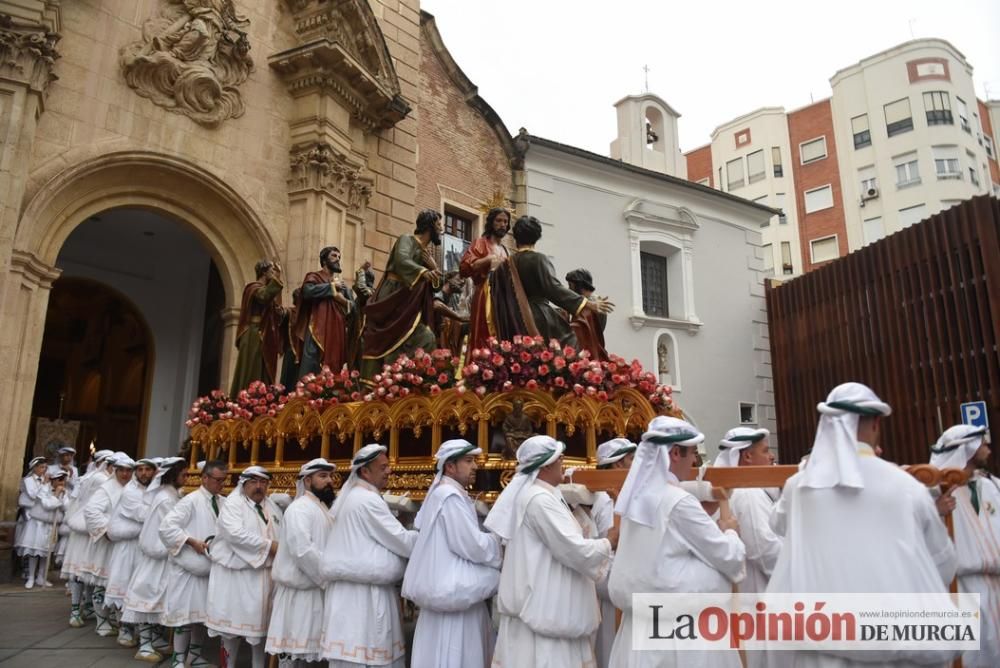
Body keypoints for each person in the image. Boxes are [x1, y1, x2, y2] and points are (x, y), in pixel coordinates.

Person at [767, 382, 958, 666]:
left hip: (816, 646)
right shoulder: (906, 487)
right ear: (876, 423)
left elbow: (777, 523)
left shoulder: (798, 486)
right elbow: (942, 562)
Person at [608, 417, 746, 668]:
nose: (694, 461)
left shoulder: (636, 498)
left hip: (639, 629)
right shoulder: (678, 501)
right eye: (692, 453)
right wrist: (730, 532)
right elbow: (728, 557)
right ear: (674, 453)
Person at [486, 435, 616, 667]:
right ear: (545, 465)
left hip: (543, 611)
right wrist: (610, 541)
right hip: (544, 617)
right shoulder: (539, 500)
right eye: (560, 459)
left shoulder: (543, 496)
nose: (564, 464)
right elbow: (575, 550)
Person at [402, 439, 502, 668]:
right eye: (468, 461)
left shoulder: (442, 493)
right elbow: (471, 545)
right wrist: (498, 542)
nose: (475, 466)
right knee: (456, 653)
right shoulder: (449, 496)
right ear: (449, 466)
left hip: (448, 597)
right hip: (454, 600)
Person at [320, 444, 417, 668]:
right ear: (365, 472)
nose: (388, 471)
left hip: (350, 595)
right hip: (363, 599)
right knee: (364, 656)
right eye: (382, 467)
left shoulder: (355, 496)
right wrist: (424, 535)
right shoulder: (367, 500)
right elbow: (402, 542)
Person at [930, 424, 1000, 667]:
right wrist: (935, 510)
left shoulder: (992, 486)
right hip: (960, 586)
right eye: (983, 444)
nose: (988, 449)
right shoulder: (934, 492)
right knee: (971, 655)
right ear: (967, 450)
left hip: (996, 584)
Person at [491, 215, 612, 346]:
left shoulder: (502, 266)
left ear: (515, 237)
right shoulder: (538, 259)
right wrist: (588, 304)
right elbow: (553, 288)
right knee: (575, 345)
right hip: (538, 317)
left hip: (511, 322)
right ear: (537, 237)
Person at [206, 466, 281, 668]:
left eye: (263, 482)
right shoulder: (233, 504)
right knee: (231, 628)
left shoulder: (271, 506)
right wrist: (269, 546)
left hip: (263, 578)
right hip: (235, 579)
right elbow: (235, 534)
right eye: (253, 482)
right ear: (243, 484)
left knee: (260, 630)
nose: (258, 487)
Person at [266, 458, 337, 668]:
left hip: (317, 591)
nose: (330, 481)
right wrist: (328, 576)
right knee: (294, 654)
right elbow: (302, 550)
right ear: (307, 481)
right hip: (299, 595)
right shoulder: (299, 509)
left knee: (310, 654)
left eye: (330, 476)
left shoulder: (323, 509)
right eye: (323, 476)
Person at [160, 460, 229, 668]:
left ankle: (194, 656)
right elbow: (166, 528)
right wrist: (191, 541)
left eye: (224, 480)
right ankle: (178, 659)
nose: (221, 484)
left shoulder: (224, 502)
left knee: (201, 616)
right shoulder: (190, 501)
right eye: (217, 480)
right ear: (205, 478)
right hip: (188, 570)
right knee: (185, 617)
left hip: (210, 568)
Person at [360, 210, 443, 379]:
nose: (442, 229)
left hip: (410, 303)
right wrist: (423, 271)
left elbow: (436, 285)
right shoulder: (407, 239)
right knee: (382, 338)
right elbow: (401, 260)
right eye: (439, 224)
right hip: (393, 296)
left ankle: (406, 379)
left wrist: (433, 269)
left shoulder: (428, 254)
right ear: (431, 225)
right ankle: (377, 381)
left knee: (427, 338)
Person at [123, 456, 187, 663]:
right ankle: (145, 644)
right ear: (173, 475)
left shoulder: (168, 494)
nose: (187, 478)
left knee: (158, 601)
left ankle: (154, 640)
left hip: (163, 555)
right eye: (184, 474)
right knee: (148, 600)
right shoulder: (166, 498)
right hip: (157, 555)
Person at [712, 427, 781, 595]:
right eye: (765, 451)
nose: (771, 456)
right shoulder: (747, 492)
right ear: (748, 456)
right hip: (758, 591)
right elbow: (763, 547)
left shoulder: (746, 489)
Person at [590, 438, 636, 668]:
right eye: (631, 459)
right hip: (612, 587)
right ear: (617, 465)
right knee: (611, 650)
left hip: (621, 582)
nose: (636, 464)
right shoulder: (605, 500)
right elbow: (610, 544)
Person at [104, 457, 157, 647]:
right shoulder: (130, 491)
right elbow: (144, 515)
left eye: (147, 470)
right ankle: (124, 628)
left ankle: (146, 631)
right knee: (124, 585)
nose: (144, 473)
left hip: (145, 547)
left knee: (141, 587)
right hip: (128, 547)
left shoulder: (156, 490)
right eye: (140, 469)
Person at [83, 452, 137, 636]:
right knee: (102, 582)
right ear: (115, 470)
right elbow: (91, 511)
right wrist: (106, 530)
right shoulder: (106, 488)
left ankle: (117, 618)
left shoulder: (133, 488)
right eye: (121, 470)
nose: (125, 474)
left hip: (122, 544)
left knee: (119, 583)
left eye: (129, 471)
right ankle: (101, 621)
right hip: (106, 544)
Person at [60, 448, 114, 627]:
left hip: (85, 529)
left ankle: (83, 607)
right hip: (90, 530)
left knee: (84, 571)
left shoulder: (85, 478)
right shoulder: (102, 479)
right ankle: (78, 609)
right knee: (86, 571)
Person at [294, 247, 355, 378]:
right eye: (334, 256)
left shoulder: (343, 287)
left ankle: (330, 393)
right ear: (324, 259)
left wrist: (342, 300)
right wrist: (331, 287)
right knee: (312, 359)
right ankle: (305, 394)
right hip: (318, 327)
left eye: (339, 257)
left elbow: (354, 308)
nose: (338, 259)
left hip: (337, 330)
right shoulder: (314, 277)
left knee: (334, 364)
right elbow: (307, 291)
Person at [460, 207, 510, 351]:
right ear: (491, 223)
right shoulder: (481, 243)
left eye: (505, 222)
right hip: (485, 292)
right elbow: (464, 268)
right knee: (484, 331)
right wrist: (487, 259)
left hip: (503, 296)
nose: (503, 225)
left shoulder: (505, 250)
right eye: (499, 220)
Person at [230, 259, 284, 395]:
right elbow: (264, 296)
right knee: (253, 367)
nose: (274, 273)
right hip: (254, 333)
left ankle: (262, 399)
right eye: (272, 271)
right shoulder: (253, 288)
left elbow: (277, 310)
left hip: (265, 334)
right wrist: (276, 280)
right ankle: (248, 398)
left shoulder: (269, 289)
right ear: (264, 272)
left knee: (264, 369)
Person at [18, 466, 67, 589]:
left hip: (51, 525)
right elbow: (47, 505)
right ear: (53, 480)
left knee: (46, 552)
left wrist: (62, 497)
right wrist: (56, 495)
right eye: (59, 480)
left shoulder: (64, 492)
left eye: (63, 480)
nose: (61, 483)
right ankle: (31, 577)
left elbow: (67, 507)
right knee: (35, 551)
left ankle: (41, 577)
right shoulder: (43, 489)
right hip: (38, 525)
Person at [15, 456, 49, 584]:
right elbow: (33, 494)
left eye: (45, 467)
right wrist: (44, 485)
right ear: (34, 468)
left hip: (44, 517)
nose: (43, 470)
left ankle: (41, 576)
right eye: (41, 467)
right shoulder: (28, 480)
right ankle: (29, 575)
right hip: (31, 517)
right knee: (30, 547)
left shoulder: (46, 481)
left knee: (43, 548)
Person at [565, 268, 609, 362]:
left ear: (579, 286)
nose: (568, 290)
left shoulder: (591, 305)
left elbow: (578, 329)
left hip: (588, 353)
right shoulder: (591, 303)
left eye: (570, 286)